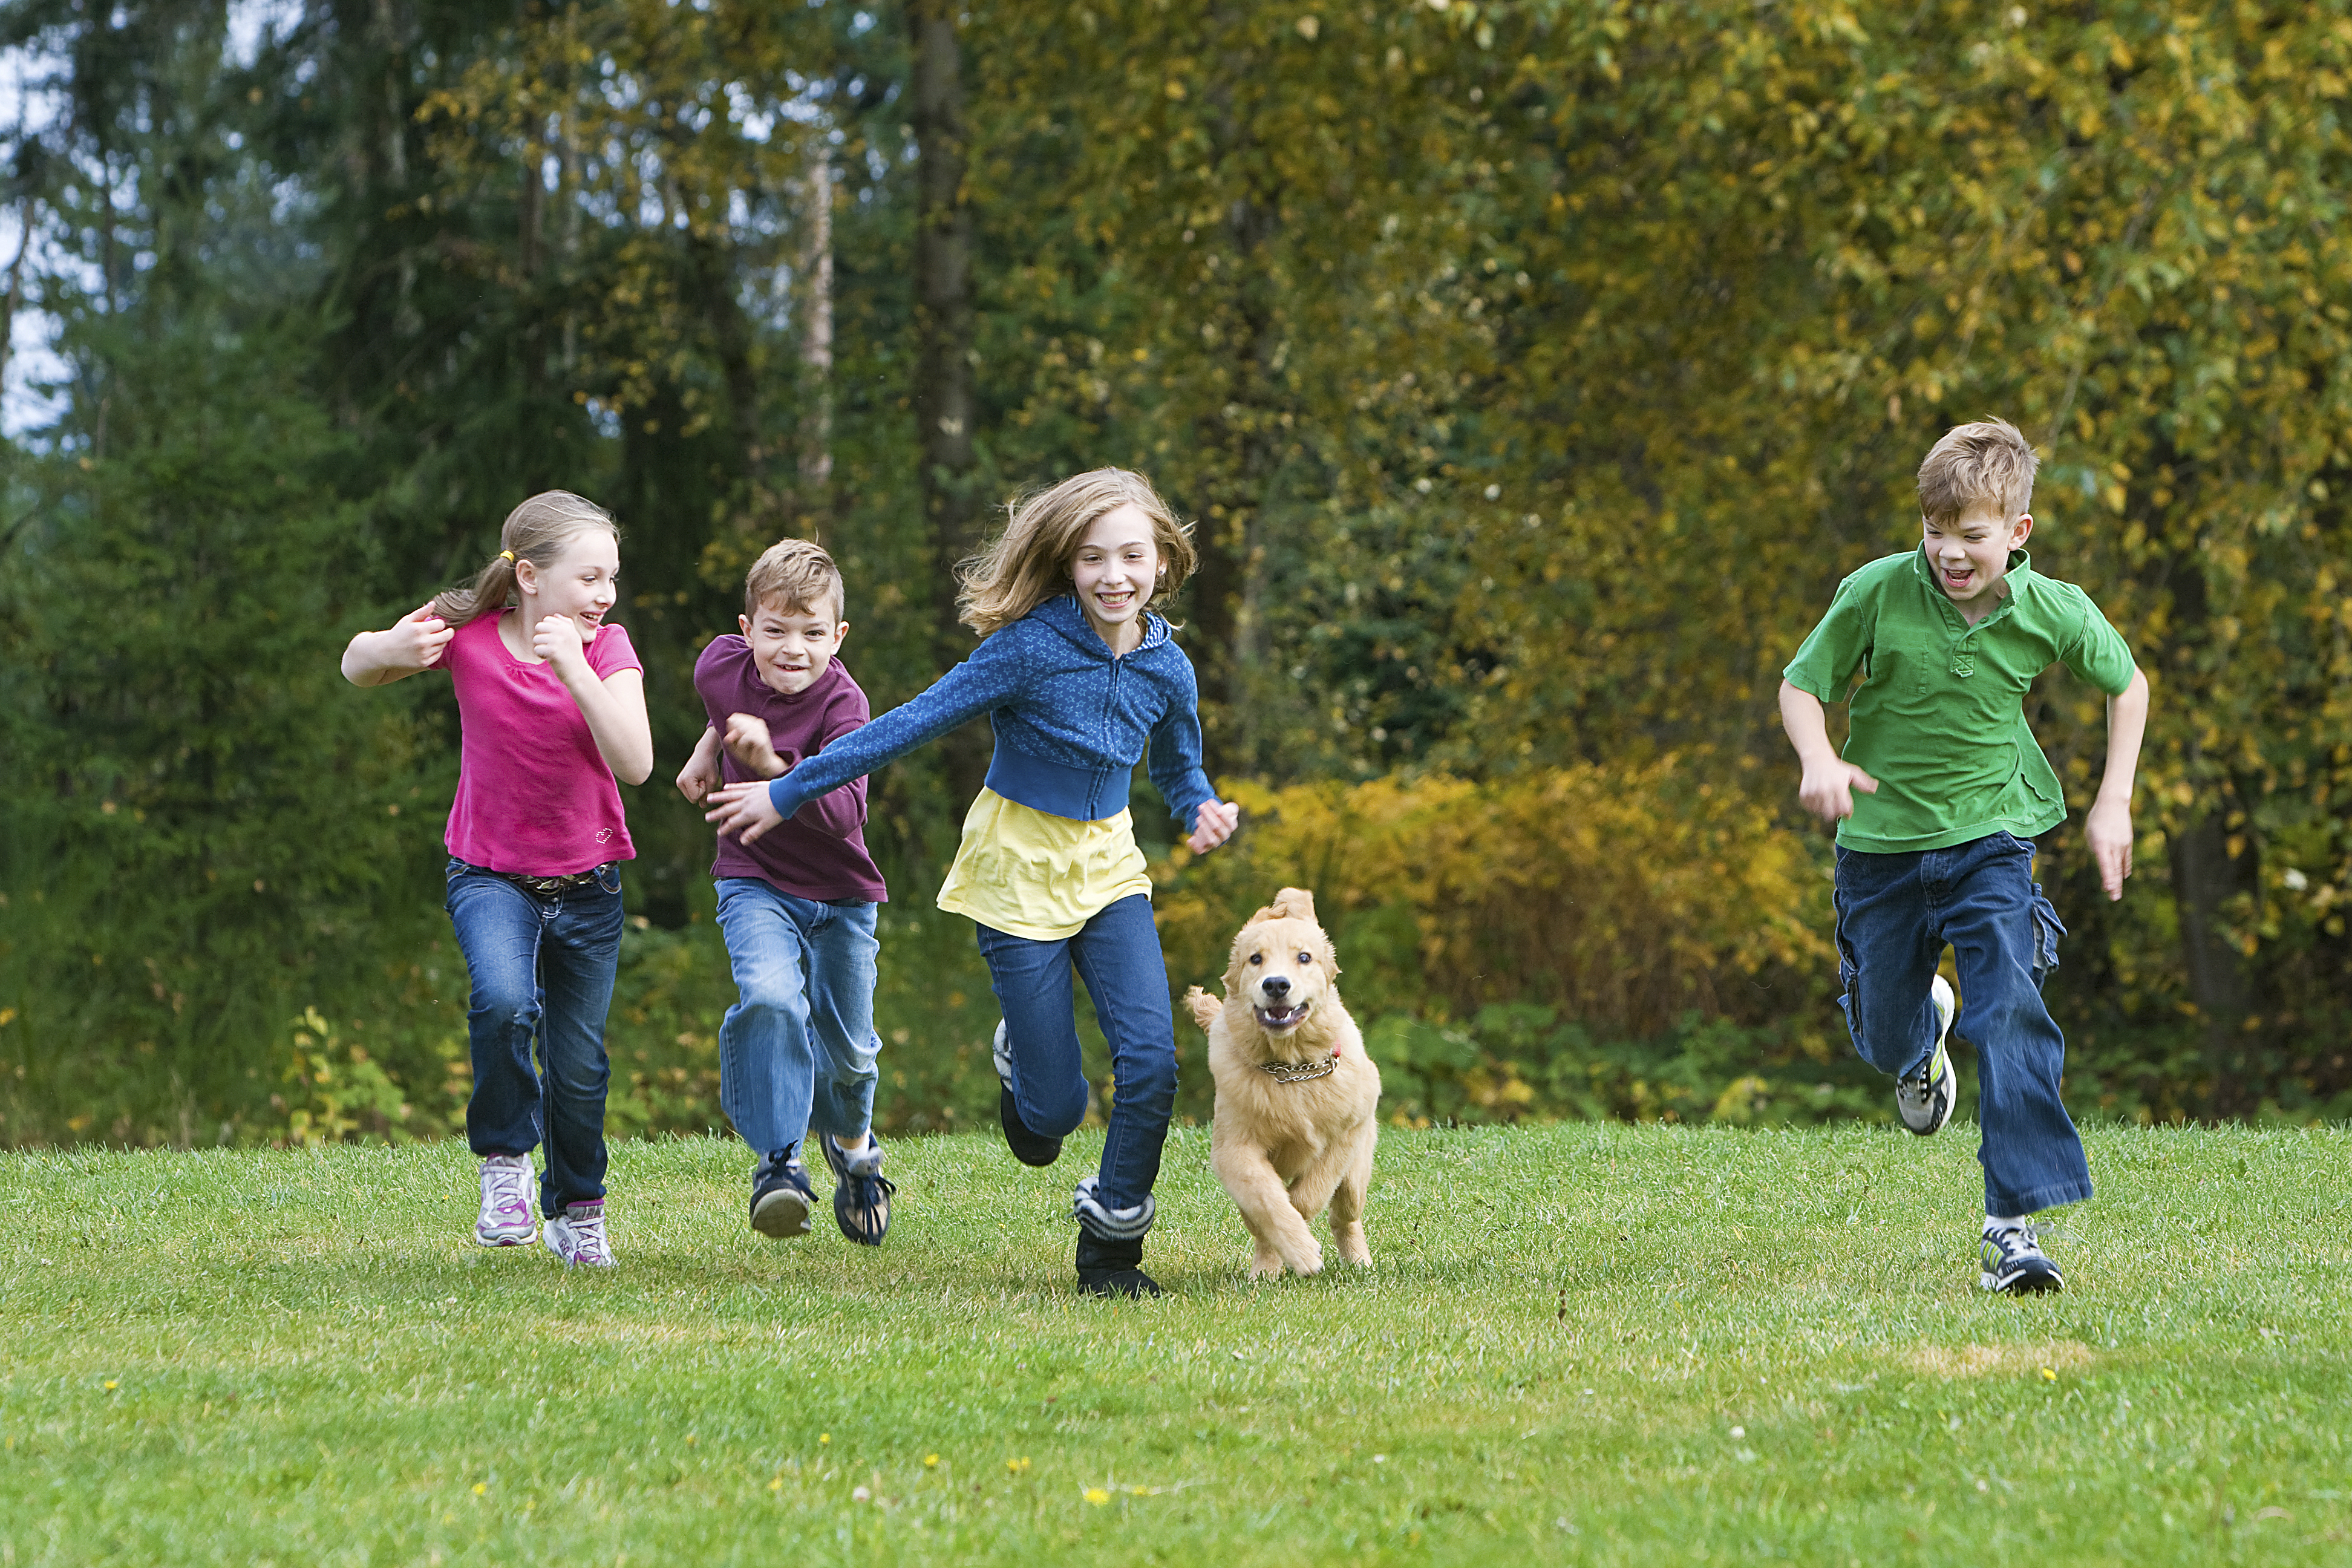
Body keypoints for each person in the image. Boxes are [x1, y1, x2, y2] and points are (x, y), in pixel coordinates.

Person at [704, 469, 1241, 1298]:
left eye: (1133, 556)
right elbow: (907, 724)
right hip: (1015, 869)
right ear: (1067, 565)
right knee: (1051, 1119)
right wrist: (788, 788)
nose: (1114, 576)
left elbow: (1179, 764)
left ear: (1163, 562)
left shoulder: (1169, 669)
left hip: (1107, 869)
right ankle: (1023, 1067)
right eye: (1093, 558)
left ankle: (1111, 1251)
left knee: (1153, 1063)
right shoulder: (1028, 649)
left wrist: (1199, 805)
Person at [1779, 418, 2148, 1294]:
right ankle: (1917, 1045)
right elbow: (1802, 685)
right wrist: (1820, 758)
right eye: (1934, 530)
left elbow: (2127, 685)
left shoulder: (2052, 609)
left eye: (1971, 535)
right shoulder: (1875, 592)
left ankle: (2011, 1229)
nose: (1949, 551)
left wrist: (2114, 801)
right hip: (1881, 854)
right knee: (1882, 1035)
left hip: (1991, 841)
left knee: (2012, 1004)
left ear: (2016, 534)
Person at [340, 492, 652, 1269]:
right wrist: (389, 648)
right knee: (505, 1001)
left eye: (611, 577)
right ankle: (505, 1165)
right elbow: (355, 663)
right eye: (589, 577)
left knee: (579, 1070)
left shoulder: (606, 651)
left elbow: (637, 763)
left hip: (589, 889)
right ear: (530, 577)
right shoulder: (470, 635)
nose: (605, 594)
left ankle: (577, 1208)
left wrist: (574, 669)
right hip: (489, 878)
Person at [675, 540, 896, 1247]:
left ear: (839, 636)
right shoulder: (720, 665)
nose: (791, 649)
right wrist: (709, 746)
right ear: (746, 631)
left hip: (842, 893)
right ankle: (779, 1164)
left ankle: (854, 1150)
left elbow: (844, 814)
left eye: (811, 634)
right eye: (774, 631)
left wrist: (774, 767)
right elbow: (724, 699)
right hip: (755, 878)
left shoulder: (845, 704)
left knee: (850, 1050)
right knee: (771, 999)